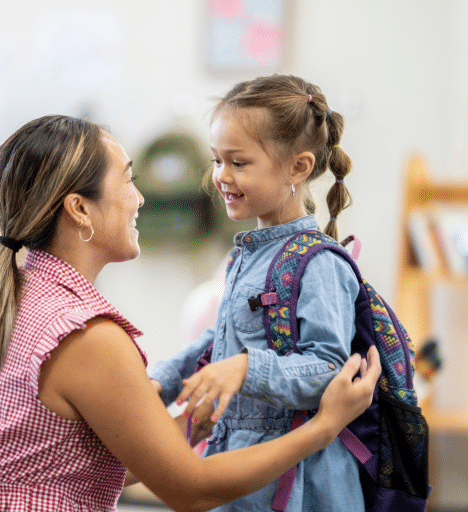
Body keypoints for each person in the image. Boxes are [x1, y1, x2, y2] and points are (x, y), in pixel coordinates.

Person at [0, 114, 381, 512]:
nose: (140, 199)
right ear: (79, 209)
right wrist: (323, 427)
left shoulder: (21, 296)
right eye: (127, 180)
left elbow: (55, 468)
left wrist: (178, 430)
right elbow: (189, 490)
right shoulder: (86, 336)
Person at [148, 74, 364, 511]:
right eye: (216, 160)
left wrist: (246, 369)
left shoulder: (319, 263)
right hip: (238, 459)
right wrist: (164, 380)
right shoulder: (246, 257)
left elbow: (327, 368)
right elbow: (223, 342)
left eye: (238, 162)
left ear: (297, 168)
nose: (220, 176)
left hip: (299, 481)